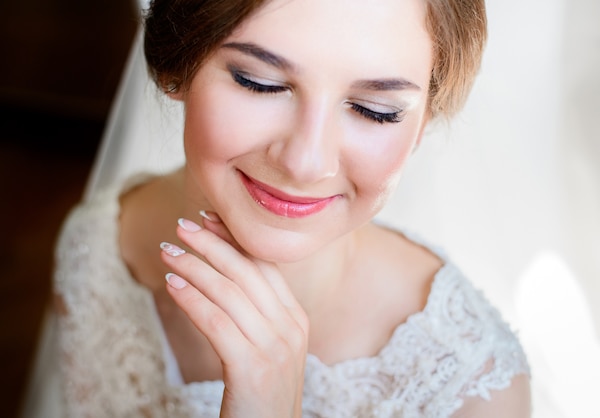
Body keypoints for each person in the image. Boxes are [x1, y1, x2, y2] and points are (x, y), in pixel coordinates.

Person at [52, 0, 531, 416]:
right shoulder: (98, 250)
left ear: (424, 120)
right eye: (258, 82)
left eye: (375, 110)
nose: (305, 162)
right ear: (176, 66)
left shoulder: (473, 388)